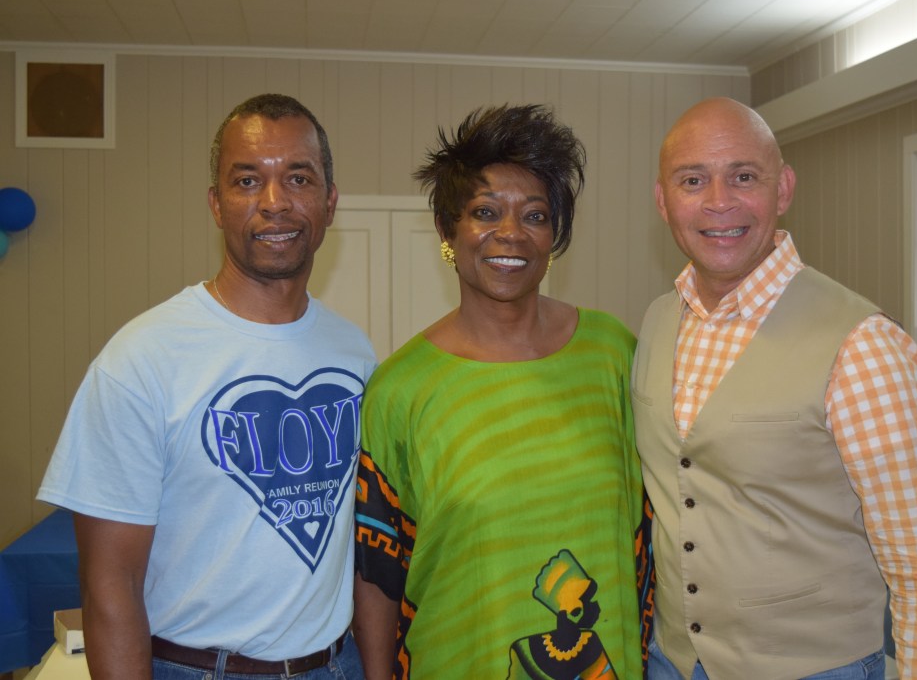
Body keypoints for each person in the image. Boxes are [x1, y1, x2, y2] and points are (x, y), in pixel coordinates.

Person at [633, 97, 917, 680]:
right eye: (693, 180)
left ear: (783, 188)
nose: (719, 201)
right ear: (663, 201)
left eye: (744, 176)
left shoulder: (861, 344)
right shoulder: (657, 320)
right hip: (672, 662)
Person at [36, 93, 374, 680]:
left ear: (330, 201)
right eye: (248, 180)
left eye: (298, 177)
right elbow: (110, 583)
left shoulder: (355, 353)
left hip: (332, 663)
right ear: (217, 205)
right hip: (198, 669)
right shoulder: (143, 358)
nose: (274, 203)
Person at [351, 104, 654, 680]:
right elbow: (377, 572)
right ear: (447, 230)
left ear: (555, 236)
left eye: (535, 215)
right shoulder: (401, 388)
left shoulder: (613, 354)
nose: (510, 234)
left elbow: (659, 522)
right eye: (485, 212)